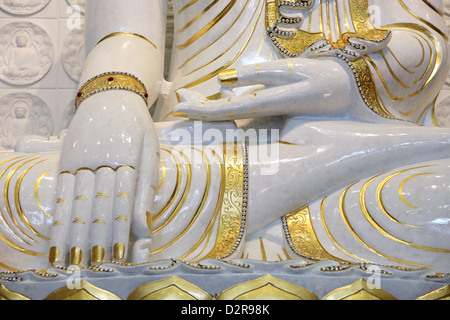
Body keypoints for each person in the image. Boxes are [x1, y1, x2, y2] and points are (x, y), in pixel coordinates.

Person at [0, 0, 449, 272]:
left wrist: (341, 81)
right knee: (19, 193)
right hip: (193, 136)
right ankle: (317, 177)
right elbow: (127, 34)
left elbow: (423, 40)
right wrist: (111, 101)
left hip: (340, 123)